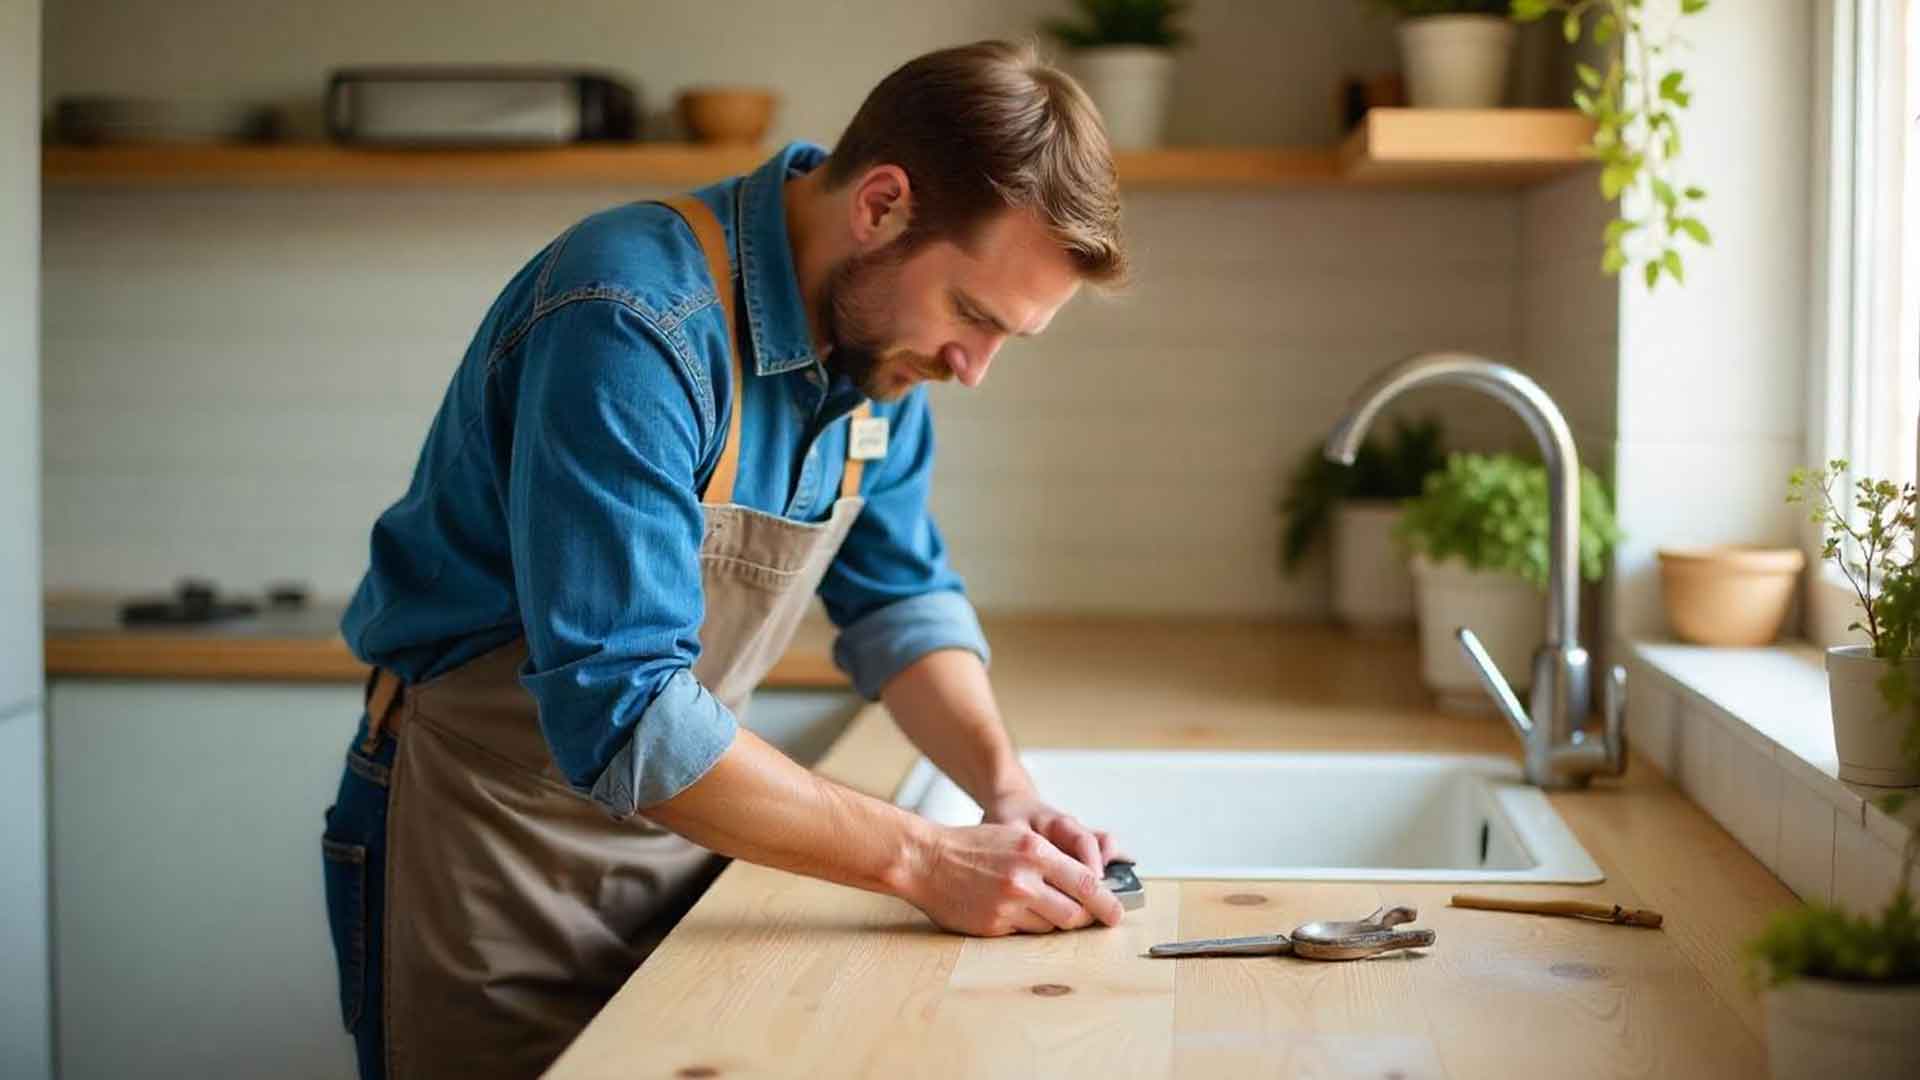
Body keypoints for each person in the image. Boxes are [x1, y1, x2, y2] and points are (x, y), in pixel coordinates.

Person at [320, 39, 1132, 1079]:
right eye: (973, 315)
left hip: (689, 844)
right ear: (880, 205)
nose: (973, 370)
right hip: (489, 852)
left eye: (1010, 336)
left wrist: (1006, 792)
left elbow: (900, 602)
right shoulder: (631, 319)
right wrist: (925, 857)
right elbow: (625, 710)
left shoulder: (882, 356)